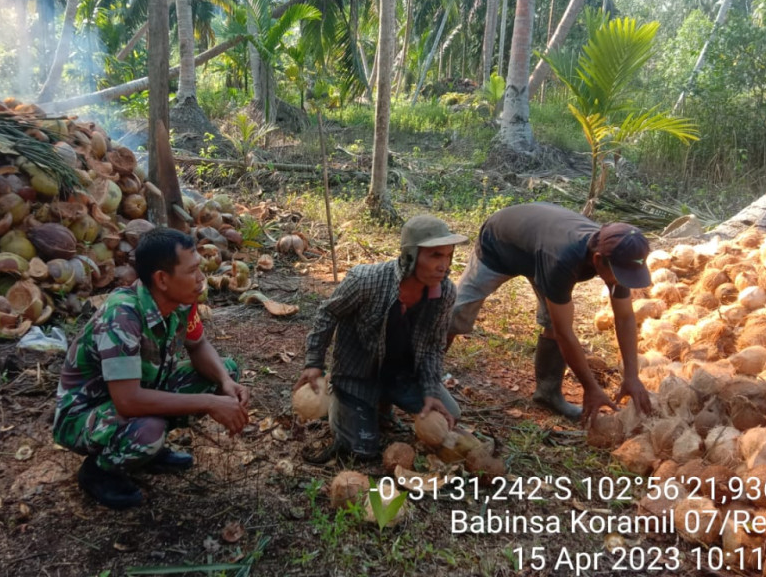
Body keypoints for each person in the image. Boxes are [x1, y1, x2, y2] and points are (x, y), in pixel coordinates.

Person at [53, 228, 250, 509]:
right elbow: (129, 401)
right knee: (149, 428)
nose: (200, 278)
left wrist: (224, 382)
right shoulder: (122, 315)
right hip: (84, 416)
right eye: (191, 271)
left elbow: (198, 345)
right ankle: (99, 471)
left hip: (137, 393)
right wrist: (209, 402)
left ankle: (148, 452)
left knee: (224, 372)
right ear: (162, 279)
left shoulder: (182, 302)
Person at [448, 202, 653, 425]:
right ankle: (427, 372)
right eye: (621, 276)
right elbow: (565, 333)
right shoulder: (562, 259)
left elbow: (624, 317)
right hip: (500, 242)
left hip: (539, 246)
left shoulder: (616, 254)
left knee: (552, 323)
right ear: (597, 260)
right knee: (457, 312)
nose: (623, 282)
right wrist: (591, 388)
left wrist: (632, 376)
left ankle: (548, 394)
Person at [296, 215, 468, 462]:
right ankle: (340, 398)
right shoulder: (367, 281)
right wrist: (314, 362)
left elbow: (433, 346)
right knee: (362, 450)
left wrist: (430, 392)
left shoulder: (445, 292)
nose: (444, 265)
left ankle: (384, 402)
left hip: (403, 376)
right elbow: (328, 313)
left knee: (450, 415)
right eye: (435, 256)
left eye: (449, 256)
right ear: (410, 255)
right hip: (358, 376)